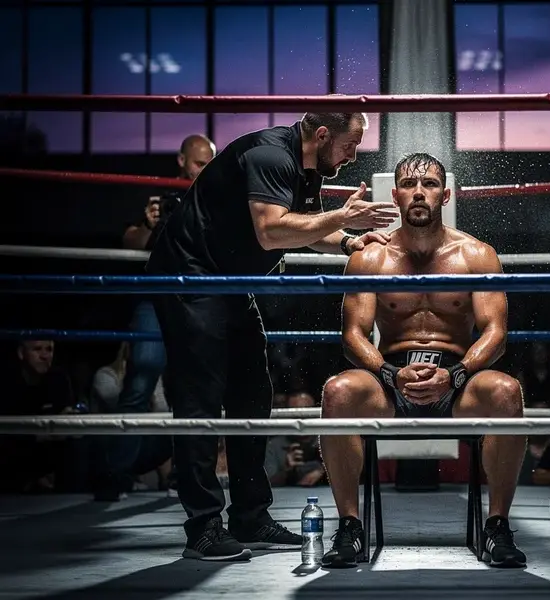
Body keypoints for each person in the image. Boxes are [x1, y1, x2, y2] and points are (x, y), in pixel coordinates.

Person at [146, 112, 398, 561]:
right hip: (190, 276)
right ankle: (203, 527)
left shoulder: (306, 170)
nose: (352, 155)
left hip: (228, 281)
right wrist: (344, 216)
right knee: (200, 396)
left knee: (253, 391)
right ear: (322, 135)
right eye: (349, 145)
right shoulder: (269, 155)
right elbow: (271, 232)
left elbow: (303, 229)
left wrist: (348, 242)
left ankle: (249, 515)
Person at [318, 152, 527, 569]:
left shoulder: (476, 255)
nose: (419, 192)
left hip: (458, 380)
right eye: (410, 186)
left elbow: (495, 333)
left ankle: (498, 527)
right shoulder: (369, 258)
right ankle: (349, 528)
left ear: (445, 194)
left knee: (506, 392)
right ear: (395, 195)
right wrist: (391, 374)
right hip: (389, 381)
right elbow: (353, 336)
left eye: (429, 184)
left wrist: (455, 375)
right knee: (338, 392)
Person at [95, 134, 216, 502]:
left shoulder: (216, 197)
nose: (203, 170)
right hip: (155, 296)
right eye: (198, 163)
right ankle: (115, 476)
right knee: (140, 378)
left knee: (192, 388)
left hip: (196, 299)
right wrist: (149, 225)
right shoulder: (161, 197)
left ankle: (186, 476)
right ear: (181, 160)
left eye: (209, 163)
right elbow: (128, 245)